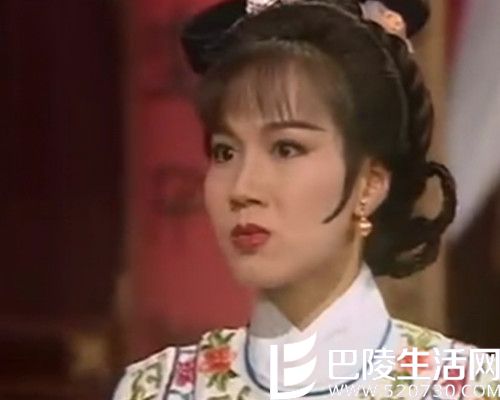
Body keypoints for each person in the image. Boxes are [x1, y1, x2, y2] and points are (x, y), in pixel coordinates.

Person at [113, 0, 500, 399]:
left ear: (369, 184)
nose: (242, 188)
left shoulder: (470, 387)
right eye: (225, 152)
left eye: (286, 148)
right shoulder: (159, 388)